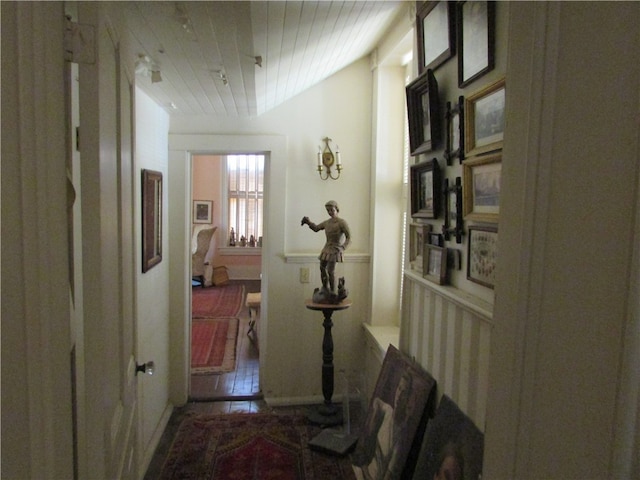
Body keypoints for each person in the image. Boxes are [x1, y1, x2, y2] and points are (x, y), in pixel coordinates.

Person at [301, 200, 351, 296]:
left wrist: (343, 247)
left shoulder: (342, 223)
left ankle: (333, 291)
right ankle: (325, 288)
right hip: (327, 248)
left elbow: (349, 237)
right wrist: (308, 222)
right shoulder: (327, 223)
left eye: (331, 210)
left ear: (336, 209)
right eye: (328, 210)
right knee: (322, 267)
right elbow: (316, 228)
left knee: (330, 270)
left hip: (336, 249)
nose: (330, 212)